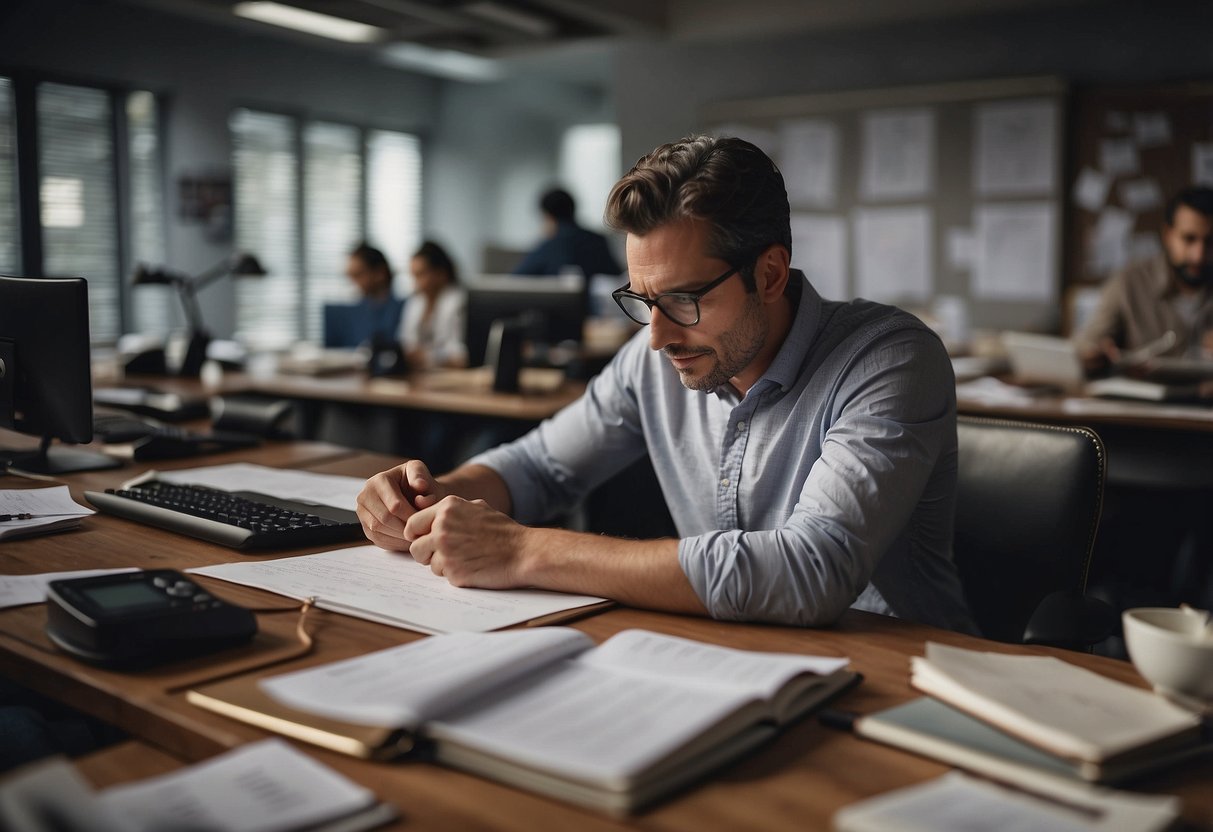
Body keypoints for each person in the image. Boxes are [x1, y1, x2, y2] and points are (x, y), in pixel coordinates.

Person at [357, 135, 974, 632]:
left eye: (682, 299)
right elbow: (542, 468)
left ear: (770, 273)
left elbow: (810, 572)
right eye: (642, 299)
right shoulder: (655, 354)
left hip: (898, 677)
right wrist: (430, 499)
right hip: (727, 650)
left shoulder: (890, 359)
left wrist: (522, 551)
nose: (656, 337)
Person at [1074, 186, 1213, 372]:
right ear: (1168, 235)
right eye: (1189, 239)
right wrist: (1095, 353)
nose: (1199, 255)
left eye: (1210, 241)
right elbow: (1083, 348)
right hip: (1142, 400)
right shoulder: (1129, 282)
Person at [512, 187, 623, 278]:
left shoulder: (550, 247)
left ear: (548, 217)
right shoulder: (598, 241)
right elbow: (616, 276)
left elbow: (514, 281)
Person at [400, 241, 467, 370]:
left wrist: (427, 356)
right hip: (420, 375)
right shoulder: (416, 302)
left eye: (421, 275)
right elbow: (406, 342)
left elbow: (459, 356)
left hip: (449, 378)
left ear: (441, 274)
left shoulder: (457, 301)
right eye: (413, 276)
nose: (415, 284)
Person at [339, 242, 404, 346]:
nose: (354, 284)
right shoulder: (357, 311)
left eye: (358, 275)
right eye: (351, 277)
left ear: (380, 273)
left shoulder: (405, 309)